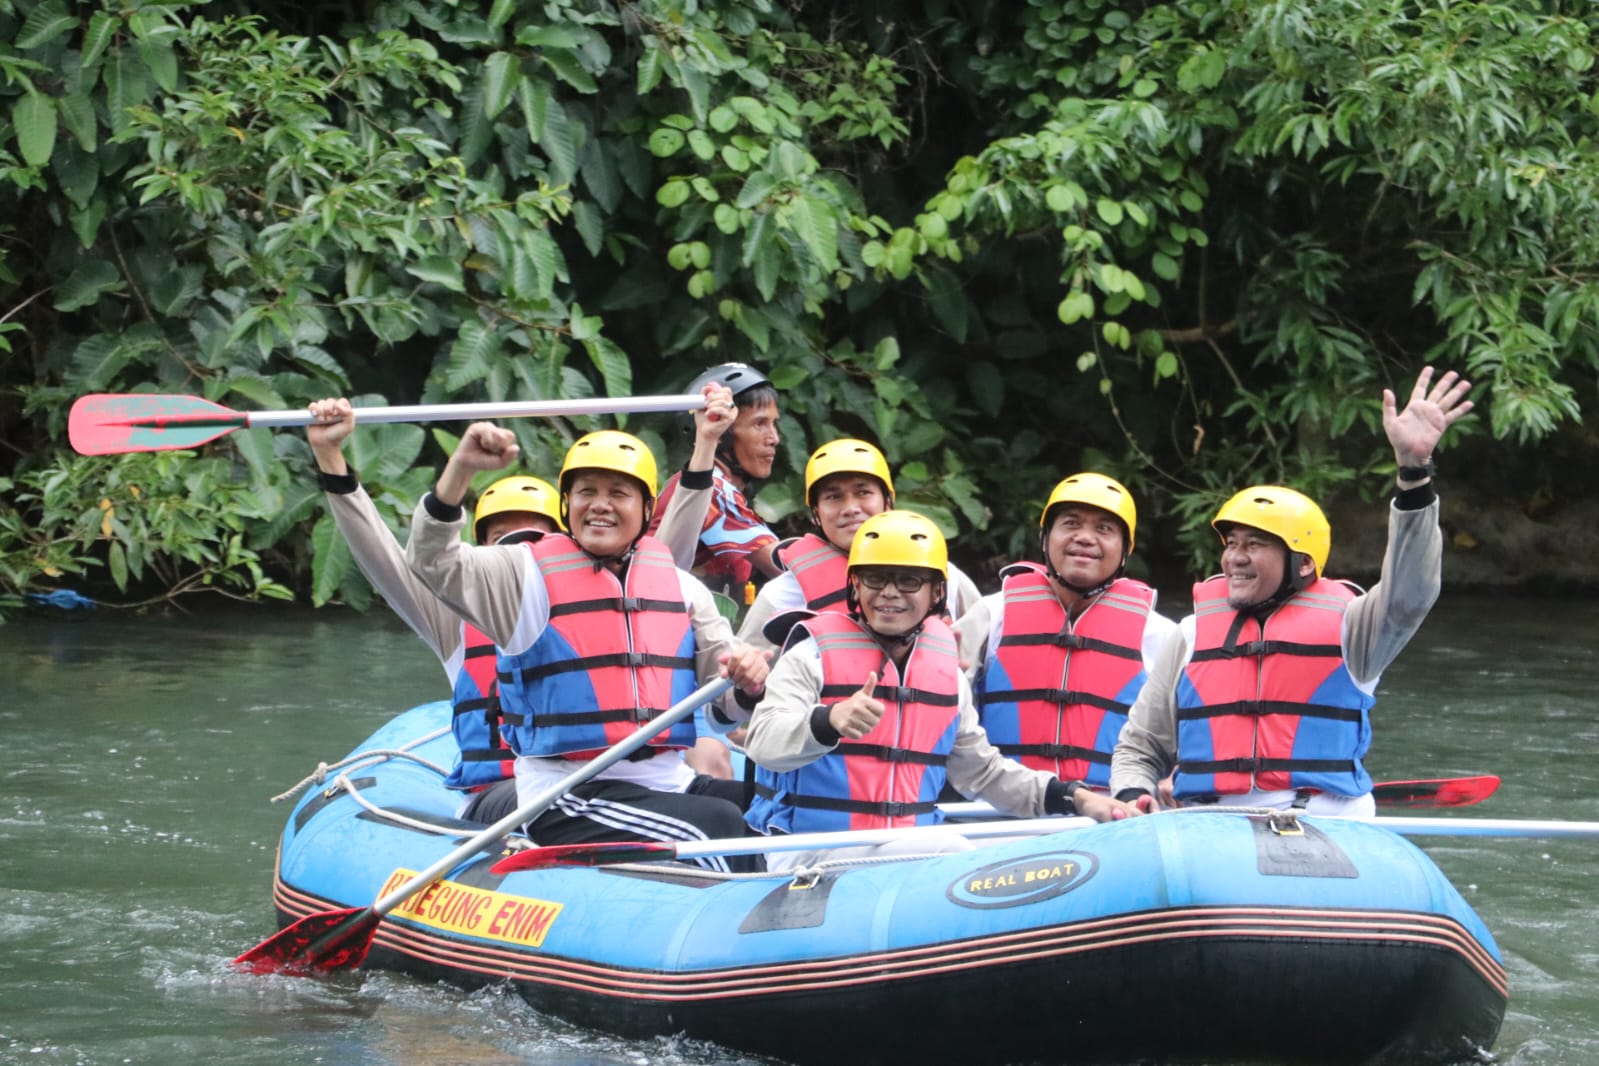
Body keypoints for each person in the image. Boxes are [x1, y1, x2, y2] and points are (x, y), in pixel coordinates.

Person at [1090, 366, 1475, 820]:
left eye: (1254, 545)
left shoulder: (1354, 628)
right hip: (1209, 825)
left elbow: (1412, 591)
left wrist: (1414, 475)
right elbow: (1141, 746)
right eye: (1231, 544)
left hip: (1322, 821)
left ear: (1304, 563)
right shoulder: (1192, 634)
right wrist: (1133, 792)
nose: (1235, 557)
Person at [405, 423, 772, 872]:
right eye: (586, 492)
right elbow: (432, 561)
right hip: (564, 794)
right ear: (567, 504)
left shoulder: (680, 587)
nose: (600, 504)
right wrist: (460, 470)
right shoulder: (521, 579)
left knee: (772, 803)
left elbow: (724, 708)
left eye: (619, 492)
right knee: (717, 822)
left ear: (645, 507)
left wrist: (749, 683)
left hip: (668, 782)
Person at [741, 510, 1123, 873]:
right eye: (875, 579)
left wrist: (1075, 797)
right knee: (951, 852)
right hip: (811, 852)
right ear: (855, 586)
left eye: (909, 581)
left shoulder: (946, 675)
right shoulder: (811, 655)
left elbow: (984, 773)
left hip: (905, 849)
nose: (890, 593)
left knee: (1046, 846)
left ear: (937, 592)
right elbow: (762, 743)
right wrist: (827, 721)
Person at [305, 397, 561, 824]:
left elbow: (668, 555)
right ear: (479, 550)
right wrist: (329, 456)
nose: (518, 553)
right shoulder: (453, 618)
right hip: (498, 798)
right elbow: (381, 556)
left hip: (581, 785)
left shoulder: (598, 600)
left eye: (533, 539)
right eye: (503, 539)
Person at [954, 473, 1176, 790]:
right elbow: (937, 699)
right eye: (1071, 524)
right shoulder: (992, 615)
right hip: (998, 812)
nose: (1085, 537)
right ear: (1045, 539)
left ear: (1125, 550)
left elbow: (1191, 727)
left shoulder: (1160, 635)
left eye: (1104, 529)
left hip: (1112, 815)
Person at [738, 438, 984, 660]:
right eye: (834, 497)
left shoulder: (942, 576)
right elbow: (732, 697)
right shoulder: (782, 595)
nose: (850, 508)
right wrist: (749, 687)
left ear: (887, 502)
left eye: (863, 492)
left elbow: (982, 655)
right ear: (815, 514)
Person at [649, 362, 783, 593]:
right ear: (722, 435)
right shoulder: (712, 489)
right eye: (760, 424)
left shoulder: (719, 487)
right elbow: (787, 567)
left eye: (774, 424)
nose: (774, 438)